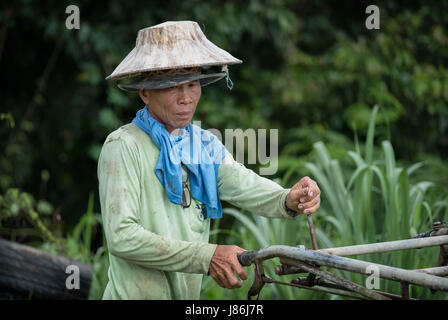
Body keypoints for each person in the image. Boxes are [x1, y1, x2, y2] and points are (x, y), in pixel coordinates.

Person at [98, 21, 321, 300]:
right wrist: (207, 256)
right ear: (145, 93)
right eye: (172, 87)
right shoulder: (123, 145)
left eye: (192, 84)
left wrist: (288, 198)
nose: (186, 98)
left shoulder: (203, 144)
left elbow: (242, 183)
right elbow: (122, 237)